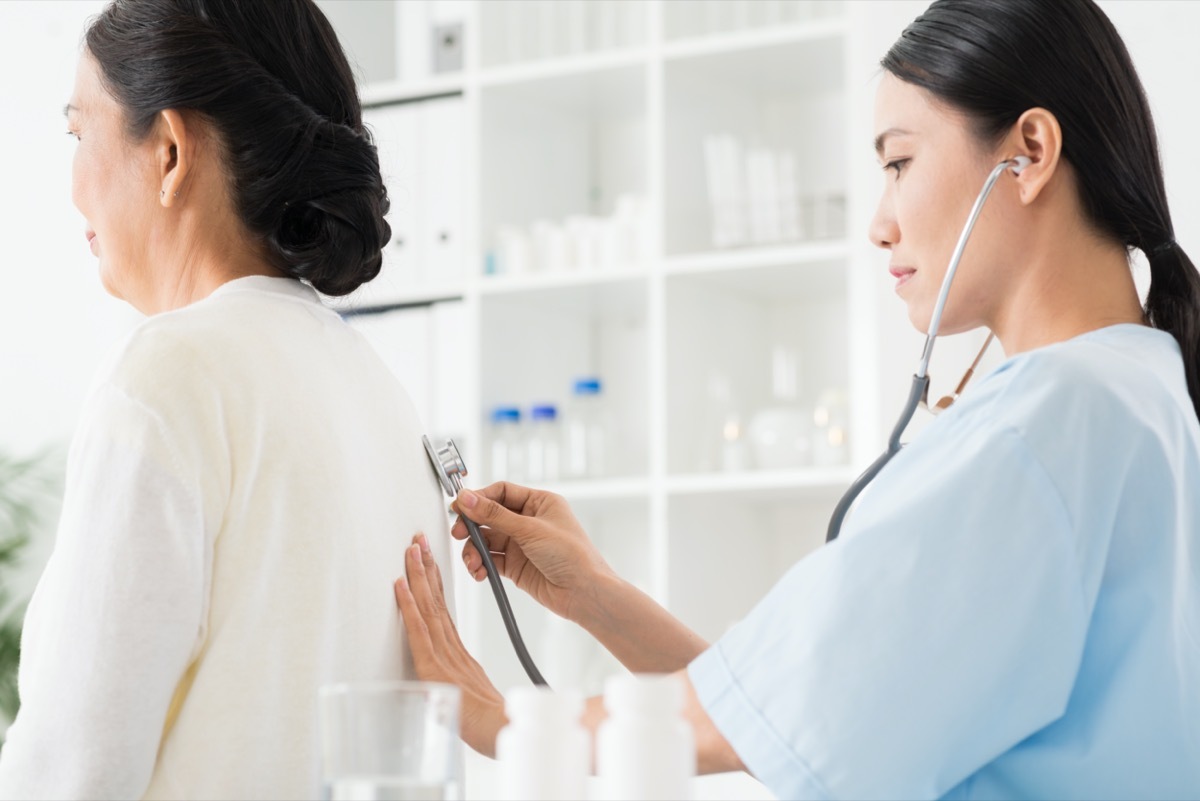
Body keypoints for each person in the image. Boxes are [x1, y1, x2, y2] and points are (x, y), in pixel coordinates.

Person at [393, 0, 1200, 798]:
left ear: (1028, 152)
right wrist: (598, 597)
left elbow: (791, 712)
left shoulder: (1043, 423)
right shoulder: (1141, 390)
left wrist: (503, 723)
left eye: (898, 163)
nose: (879, 224)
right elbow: (819, 708)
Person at [0, 1, 455, 798]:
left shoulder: (168, 378)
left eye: (81, 134)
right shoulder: (379, 390)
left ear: (170, 151)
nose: (73, 184)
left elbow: (72, 774)